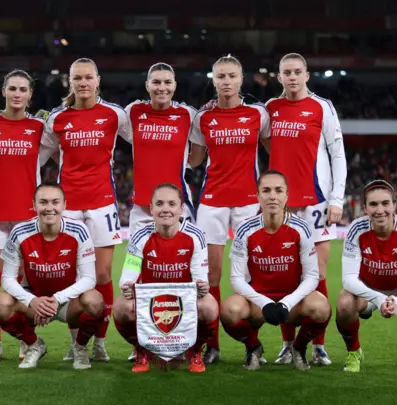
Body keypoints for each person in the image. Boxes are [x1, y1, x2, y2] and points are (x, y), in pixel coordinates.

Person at [42, 58, 132, 361]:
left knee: (103, 275)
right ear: (70, 81)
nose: (83, 83)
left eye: (88, 77)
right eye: (77, 78)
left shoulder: (114, 115)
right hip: (68, 206)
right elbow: (46, 152)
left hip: (103, 203)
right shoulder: (57, 118)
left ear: (98, 80)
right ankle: (76, 342)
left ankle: (100, 343)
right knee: (73, 277)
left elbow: (141, 142)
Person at [266, 52, 347, 366]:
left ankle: (318, 346)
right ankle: (287, 344)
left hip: (316, 201)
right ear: (279, 77)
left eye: (297, 72)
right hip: (280, 204)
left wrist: (337, 199)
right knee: (285, 273)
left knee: (319, 275)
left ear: (307, 75)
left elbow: (337, 155)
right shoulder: (271, 109)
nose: (292, 77)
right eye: (286, 72)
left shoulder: (322, 107)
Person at [189, 55, 270, 364]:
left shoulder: (257, 114)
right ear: (213, 80)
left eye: (231, 76)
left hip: (249, 201)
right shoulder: (202, 118)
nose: (225, 81)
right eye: (220, 76)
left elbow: (274, 151)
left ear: (241, 80)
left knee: (250, 275)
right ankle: (213, 346)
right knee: (211, 274)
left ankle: (253, 344)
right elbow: (195, 160)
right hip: (211, 201)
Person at [0, 70, 49, 361]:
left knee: (24, 284)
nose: (17, 94)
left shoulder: (40, 126)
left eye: (23, 89)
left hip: (29, 217)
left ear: (30, 95)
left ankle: (25, 340)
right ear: (3, 91)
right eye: (12, 88)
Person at [221, 170, 330, 371]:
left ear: (287, 196)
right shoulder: (245, 230)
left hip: (293, 303)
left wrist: (287, 303)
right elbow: (236, 279)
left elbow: (312, 276)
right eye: (266, 190)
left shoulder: (301, 228)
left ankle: (298, 347)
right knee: (229, 310)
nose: (272, 196)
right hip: (257, 302)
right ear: (258, 196)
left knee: (322, 308)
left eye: (279, 190)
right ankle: (253, 347)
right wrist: (265, 304)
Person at [0, 184, 105, 370]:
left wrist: (56, 299)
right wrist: (32, 301)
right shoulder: (19, 232)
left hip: (68, 302)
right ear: (34, 205)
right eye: (43, 202)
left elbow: (89, 279)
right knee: (0, 304)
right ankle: (35, 345)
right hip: (33, 301)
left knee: (95, 301)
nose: (49, 208)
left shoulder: (79, 230)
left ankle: (79, 347)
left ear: (64, 205)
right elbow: (7, 279)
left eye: (55, 202)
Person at [113, 183, 217, 373]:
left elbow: (200, 277)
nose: (165, 209)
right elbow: (128, 274)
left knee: (209, 306)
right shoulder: (140, 236)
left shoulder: (196, 236)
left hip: (183, 303)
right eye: (159, 204)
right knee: (121, 306)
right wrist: (127, 286)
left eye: (171, 204)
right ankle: (142, 350)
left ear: (181, 208)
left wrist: (202, 286)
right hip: (152, 303)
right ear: (151, 209)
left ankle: (194, 350)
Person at [337, 180, 397, 373]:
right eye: (373, 204)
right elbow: (348, 278)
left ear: (394, 205)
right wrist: (379, 298)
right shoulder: (356, 230)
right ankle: (354, 352)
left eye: (385, 203)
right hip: (367, 290)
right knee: (344, 303)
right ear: (364, 208)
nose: (380, 210)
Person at [125, 62, 198, 235]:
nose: (162, 88)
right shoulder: (133, 111)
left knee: (180, 259)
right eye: (156, 82)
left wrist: (188, 164)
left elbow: (209, 133)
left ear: (175, 85)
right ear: (147, 85)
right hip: (142, 205)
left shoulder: (189, 115)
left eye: (167, 82)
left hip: (178, 205)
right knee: (134, 262)